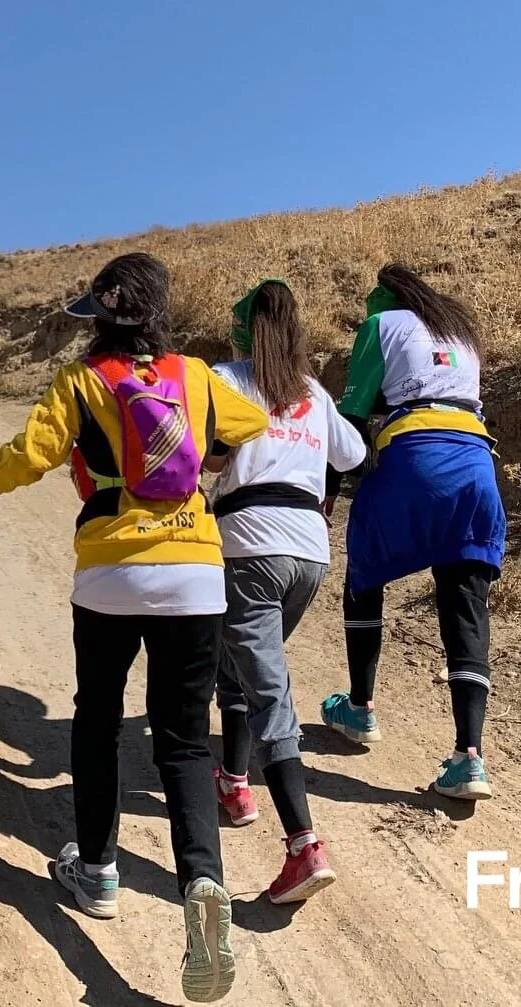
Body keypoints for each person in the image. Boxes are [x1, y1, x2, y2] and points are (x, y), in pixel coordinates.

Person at [0, 252, 267, 1005]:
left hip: (111, 571)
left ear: (99, 316)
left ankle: (97, 870)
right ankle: (202, 880)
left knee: (97, 720)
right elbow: (255, 421)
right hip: (195, 572)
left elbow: (33, 453)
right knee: (182, 741)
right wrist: (211, 450)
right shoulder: (195, 375)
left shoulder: (82, 380)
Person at [205, 280, 364, 904]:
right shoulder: (313, 392)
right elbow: (351, 456)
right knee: (244, 667)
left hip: (248, 543)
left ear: (243, 331)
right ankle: (234, 781)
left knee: (268, 692)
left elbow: (205, 453)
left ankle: (304, 846)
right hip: (309, 551)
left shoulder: (225, 378)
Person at [321, 263, 504, 802]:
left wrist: (329, 488)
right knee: (465, 607)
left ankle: (359, 708)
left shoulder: (380, 324)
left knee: (363, 572)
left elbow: (353, 416)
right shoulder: (459, 332)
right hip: (476, 462)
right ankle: (469, 757)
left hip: (414, 456)